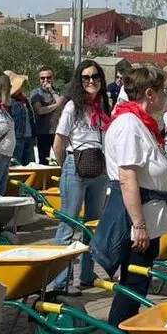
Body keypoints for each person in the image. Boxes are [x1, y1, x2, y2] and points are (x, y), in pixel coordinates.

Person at [101, 63, 167, 334]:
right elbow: (127, 177)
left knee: (138, 283)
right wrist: (139, 225)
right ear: (149, 93)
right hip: (138, 217)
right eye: (162, 90)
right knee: (132, 284)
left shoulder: (140, 122)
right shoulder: (129, 124)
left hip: (149, 214)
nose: (166, 95)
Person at [50, 59, 111, 292]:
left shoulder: (102, 107)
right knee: (69, 225)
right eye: (86, 77)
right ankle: (60, 280)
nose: (91, 81)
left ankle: (87, 273)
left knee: (93, 225)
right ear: (79, 80)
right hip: (75, 167)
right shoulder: (72, 107)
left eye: (95, 76)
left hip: (98, 169)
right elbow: (59, 142)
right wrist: (66, 167)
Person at [29, 67, 65, 164]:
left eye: (48, 77)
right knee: (44, 161)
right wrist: (56, 105)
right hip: (43, 132)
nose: (45, 80)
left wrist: (52, 91)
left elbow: (62, 105)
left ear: (53, 78)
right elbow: (39, 110)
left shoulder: (57, 92)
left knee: (61, 160)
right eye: (42, 78)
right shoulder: (36, 93)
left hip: (58, 132)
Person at [8, 75, 36, 166]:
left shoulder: (24, 99)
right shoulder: (9, 101)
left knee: (30, 166)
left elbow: (30, 118)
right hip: (17, 138)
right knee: (16, 165)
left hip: (29, 138)